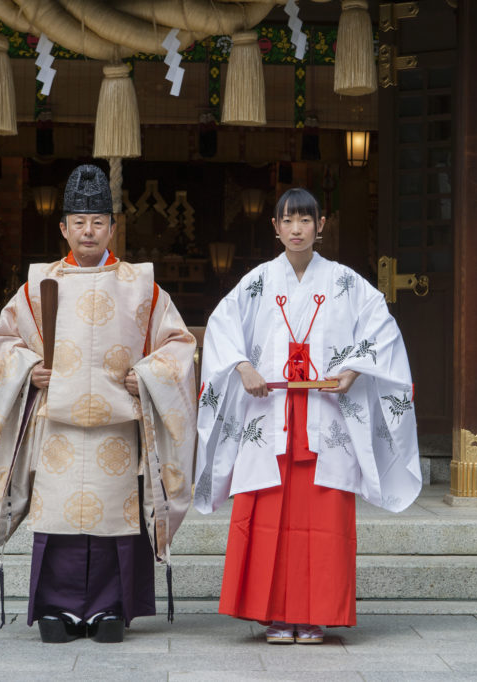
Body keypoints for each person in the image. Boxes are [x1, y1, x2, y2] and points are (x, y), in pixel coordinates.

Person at [194, 187, 421, 644]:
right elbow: (221, 327)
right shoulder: (257, 280)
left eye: (306, 220)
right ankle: (274, 614)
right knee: (268, 514)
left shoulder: (346, 282)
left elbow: (382, 327)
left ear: (322, 226)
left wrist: (354, 368)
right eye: (288, 221)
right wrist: (244, 367)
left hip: (326, 415)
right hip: (269, 414)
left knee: (324, 519)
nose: (297, 229)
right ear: (274, 228)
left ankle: (315, 614)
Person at [0, 164, 196, 644]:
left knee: (113, 519)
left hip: (117, 427)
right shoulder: (38, 287)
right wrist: (26, 370)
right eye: (78, 222)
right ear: (63, 228)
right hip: (56, 424)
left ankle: (110, 608)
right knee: (58, 516)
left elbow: (178, 346)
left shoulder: (142, 286)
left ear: (113, 228)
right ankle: (56, 606)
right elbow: (2, 341)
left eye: (98, 221)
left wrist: (148, 377)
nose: (88, 230)